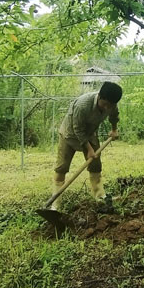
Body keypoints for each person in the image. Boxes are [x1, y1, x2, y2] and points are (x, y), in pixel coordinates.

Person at [51, 81, 122, 211]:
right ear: (100, 96)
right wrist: (89, 149)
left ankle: (100, 196)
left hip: (90, 133)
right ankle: (55, 203)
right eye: (105, 104)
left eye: (110, 105)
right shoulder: (83, 105)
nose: (107, 108)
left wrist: (114, 129)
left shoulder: (112, 104)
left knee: (95, 164)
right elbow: (77, 129)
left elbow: (114, 116)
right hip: (69, 134)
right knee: (62, 167)